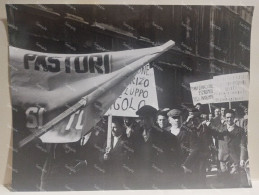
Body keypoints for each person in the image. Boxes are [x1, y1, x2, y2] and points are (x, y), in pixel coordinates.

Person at [135, 105, 180, 189]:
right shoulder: (135, 135)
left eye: (147, 119)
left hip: (160, 178)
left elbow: (175, 158)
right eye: (141, 119)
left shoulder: (167, 136)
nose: (143, 122)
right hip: (142, 178)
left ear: (154, 119)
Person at [206, 109, 247, 187]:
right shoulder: (220, 128)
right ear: (224, 118)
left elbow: (243, 145)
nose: (229, 119)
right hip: (223, 160)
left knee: (235, 182)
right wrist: (207, 123)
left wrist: (242, 159)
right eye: (227, 117)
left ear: (234, 117)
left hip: (235, 159)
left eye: (231, 117)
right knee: (225, 182)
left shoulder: (240, 130)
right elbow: (210, 133)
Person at [102, 117, 131, 190]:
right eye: (111, 127)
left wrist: (110, 156)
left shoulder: (127, 141)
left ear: (121, 127)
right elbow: (100, 155)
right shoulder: (108, 141)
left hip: (120, 177)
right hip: (107, 176)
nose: (112, 130)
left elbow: (125, 158)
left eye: (114, 127)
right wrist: (104, 157)